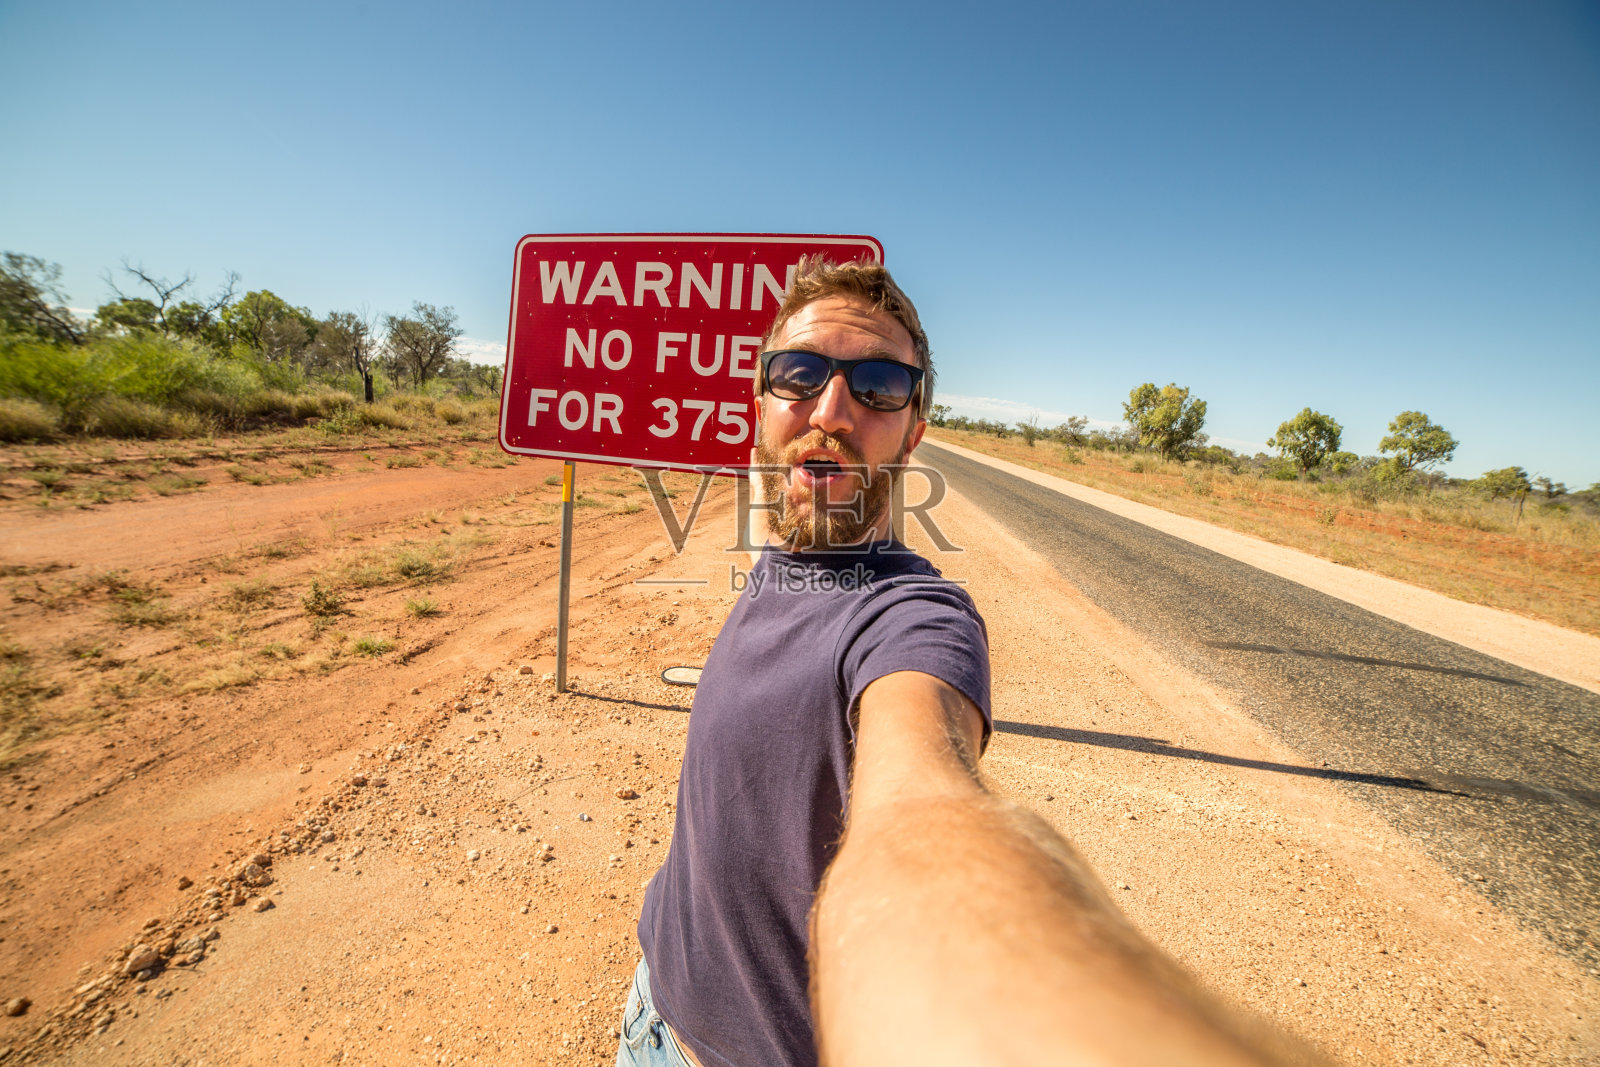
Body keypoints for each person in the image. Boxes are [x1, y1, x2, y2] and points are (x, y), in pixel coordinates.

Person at [617, 258, 1316, 1067]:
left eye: (878, 386)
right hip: (654, 1011)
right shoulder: (786, 559)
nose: (833, 410)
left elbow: (922, 807)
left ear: (913, 431)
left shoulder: (911, 617)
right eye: (800, 374)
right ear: (762, 403)